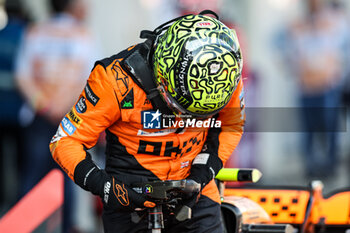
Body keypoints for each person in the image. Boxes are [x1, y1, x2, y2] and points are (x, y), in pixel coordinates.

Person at [50, 11, 244, 233]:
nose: (185, 120)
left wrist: (204, 170)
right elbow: (65, 141)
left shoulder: (224, 74)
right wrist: (106, 188)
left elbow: (231, 125)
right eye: (180, 108)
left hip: (195, 192)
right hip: (129, 195)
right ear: (160, 76)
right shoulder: (113, 80)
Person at [15, 0, 98, 231]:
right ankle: (66, 227)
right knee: (69, 175)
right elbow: (92, 78)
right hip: (71, 117)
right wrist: (63, 107)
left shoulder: (35, 31)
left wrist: (43, 106)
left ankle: (22, 226)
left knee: (31, 176)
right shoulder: (83, 34)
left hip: (38, 117)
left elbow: (22, 76)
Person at [283, 0, 349, 178]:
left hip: (328, 86)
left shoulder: (335, 21)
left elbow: (341, 51)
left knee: (330, 129)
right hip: (306, 87)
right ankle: (311, 168)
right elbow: (288, 51)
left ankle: (330, 167)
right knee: (308, 131)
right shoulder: (298, 25)